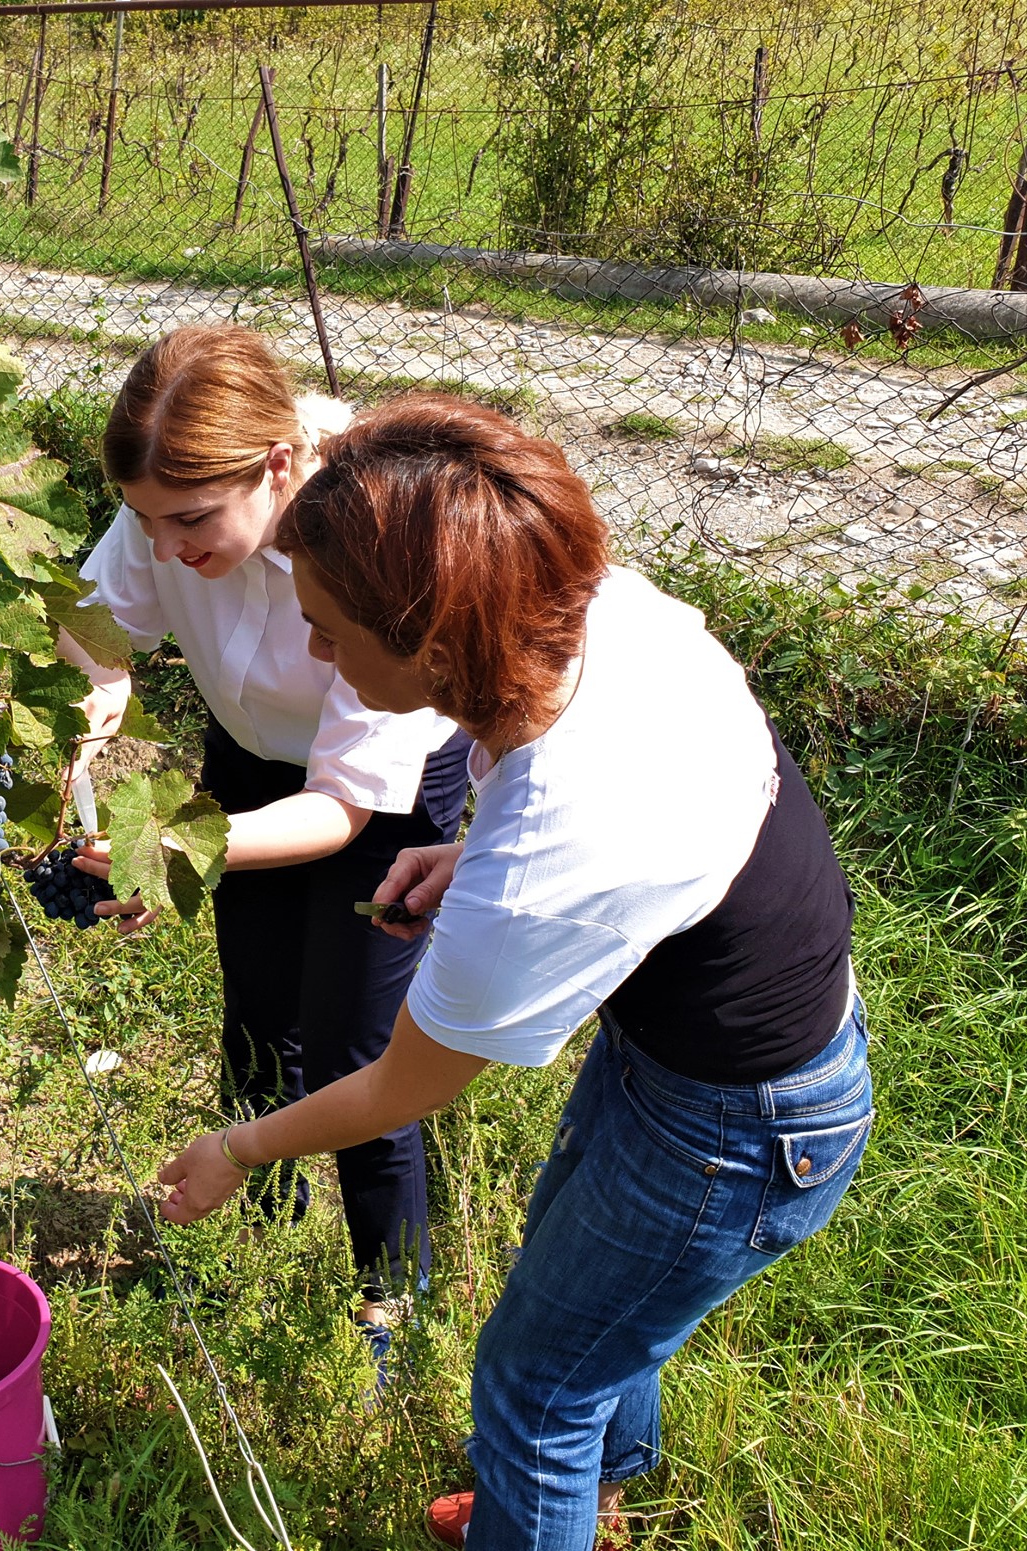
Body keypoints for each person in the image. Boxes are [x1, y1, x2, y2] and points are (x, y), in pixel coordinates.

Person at [154, 392, 872, 1550]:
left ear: (432, 647)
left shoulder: (540, 860)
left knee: (533, 1390)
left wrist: (236, 1149)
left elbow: (395, 1090)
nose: (313, 653)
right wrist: (468, 852)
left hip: (742, 1129)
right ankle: (592, 1499)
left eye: (329, 631)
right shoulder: (590, 611)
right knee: (582, 1301)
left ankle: (546, 1495)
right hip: (699, 1051)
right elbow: (644, 806)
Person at [55, 325, 473, 1345]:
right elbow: (92, 621)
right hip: (249, 764)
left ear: (278, 465)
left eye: (189, 520)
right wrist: (96, 690)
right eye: (144, 520)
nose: (165, 547)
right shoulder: (168, 508)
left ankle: (391, 1301)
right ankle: (261, 1230)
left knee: (356, 1049)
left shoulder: (372, 555)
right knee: (256, 1008)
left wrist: (172, 852)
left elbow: (342, 807)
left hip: (381, 797)